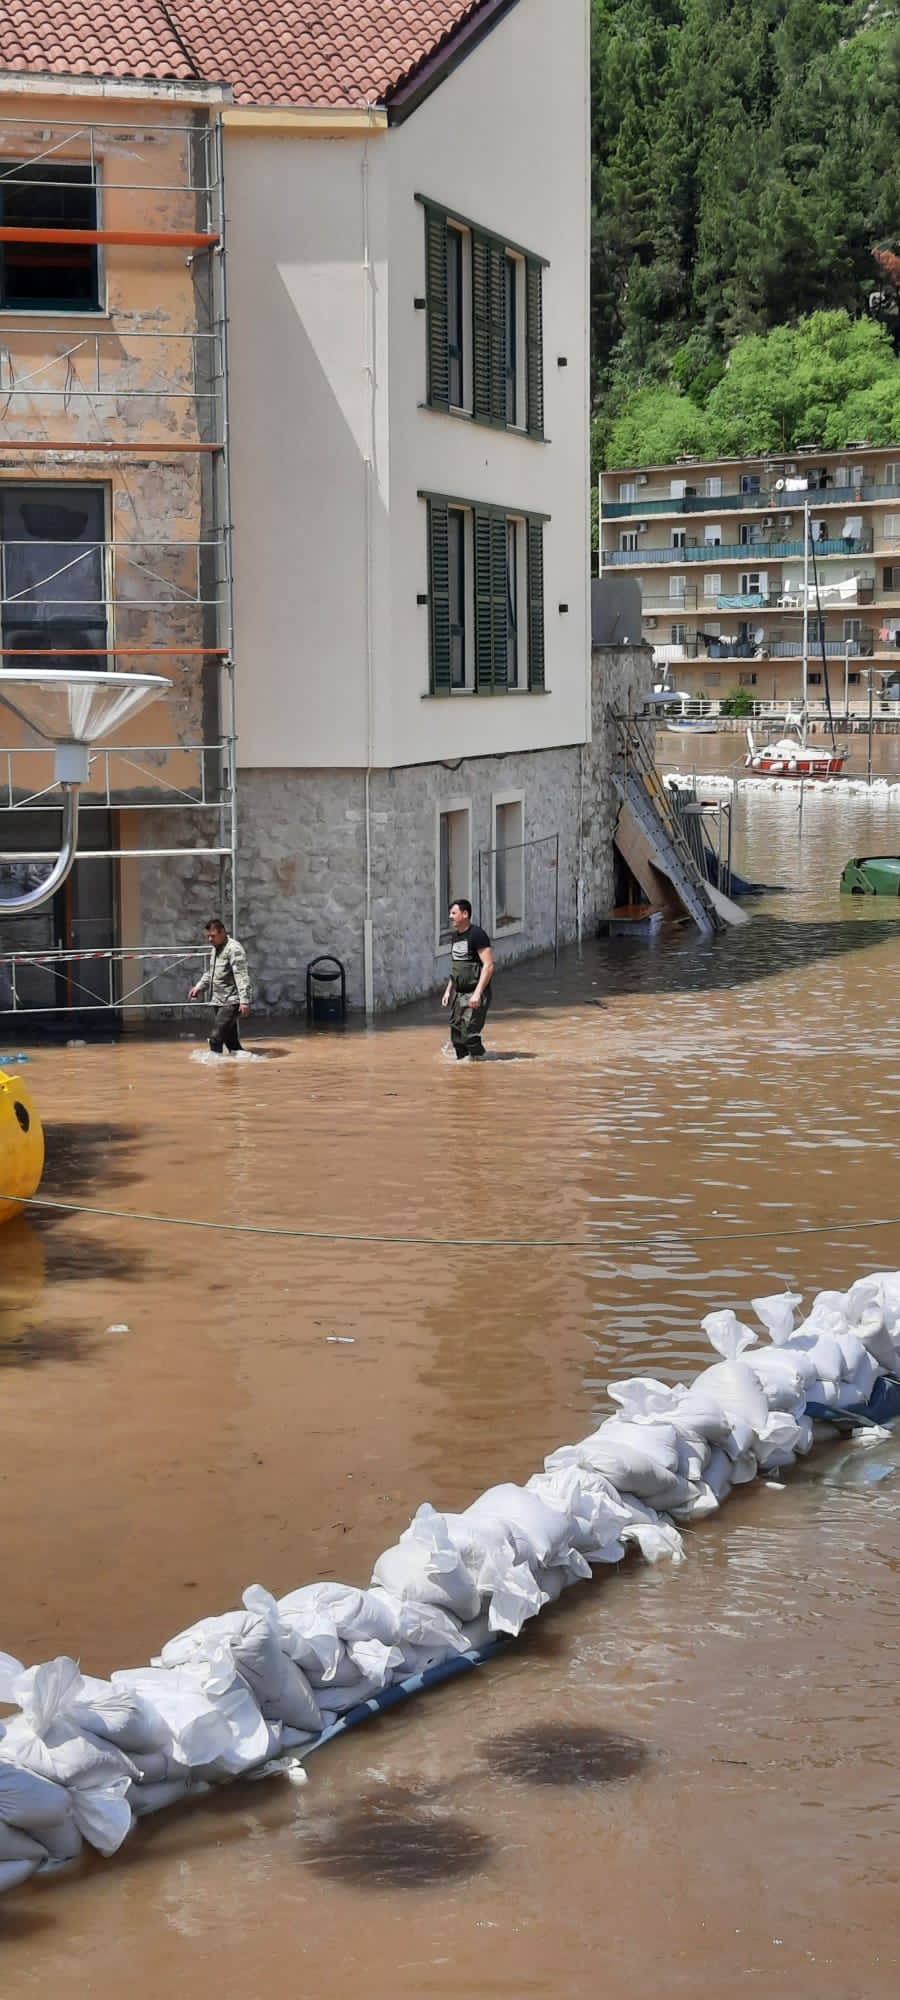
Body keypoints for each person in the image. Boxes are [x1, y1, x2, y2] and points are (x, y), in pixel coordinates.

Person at [188, 917, 252, 1054]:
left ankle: (216, 1071)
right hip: (218, 1000)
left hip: (231, 1001)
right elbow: (211, 972)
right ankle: (238, 1069)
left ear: (222, 932)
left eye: (213, 936)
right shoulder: (215, 949)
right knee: (232, 1044)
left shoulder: (234, 949)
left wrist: (244, 1001)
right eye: (208, 936)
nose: (210, 939)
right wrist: (199, 987)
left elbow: (242, 976)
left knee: (215, 1038)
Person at [442, 899, 494, 1061]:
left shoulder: (477, 934)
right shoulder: (455, 937)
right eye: (450, 913)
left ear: (465, 914)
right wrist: (448, 990)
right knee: (457, 1035)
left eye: (454, 913)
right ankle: (465, 1069)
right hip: (459, 993)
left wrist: (477, 994)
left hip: (475, 991)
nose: (450, 916)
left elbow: (489, 965)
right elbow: (457, 967)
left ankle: (482, 1063)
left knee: (469, 1035)